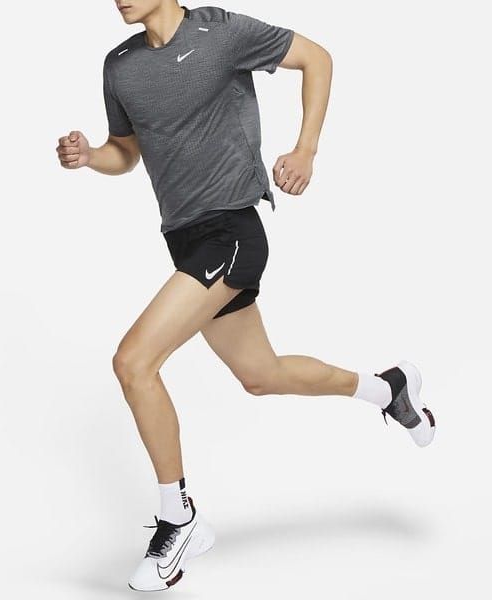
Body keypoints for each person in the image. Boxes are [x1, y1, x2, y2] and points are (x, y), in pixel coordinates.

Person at [56, 0, 436, 592]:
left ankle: (178, 518)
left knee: (133, 362)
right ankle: (388, 388)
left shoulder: (220, 32)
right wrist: (90, 158)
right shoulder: (120, 65)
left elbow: (317, 58)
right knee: (261, 374)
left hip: (232, 231)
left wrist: (305, 149)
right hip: (185, 240)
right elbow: (126, 152)